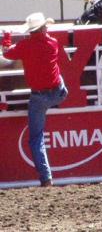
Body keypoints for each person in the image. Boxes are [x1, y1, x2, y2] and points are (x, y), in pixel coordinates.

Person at [1, 12, 68, 187]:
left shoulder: (24, 46)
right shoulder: (52, 43)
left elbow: (7, 54)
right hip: (57, 93)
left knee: (36, 138)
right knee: (60, 80)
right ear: (43, 28)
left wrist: (7, 38)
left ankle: (46, 178)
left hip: (38, 97)